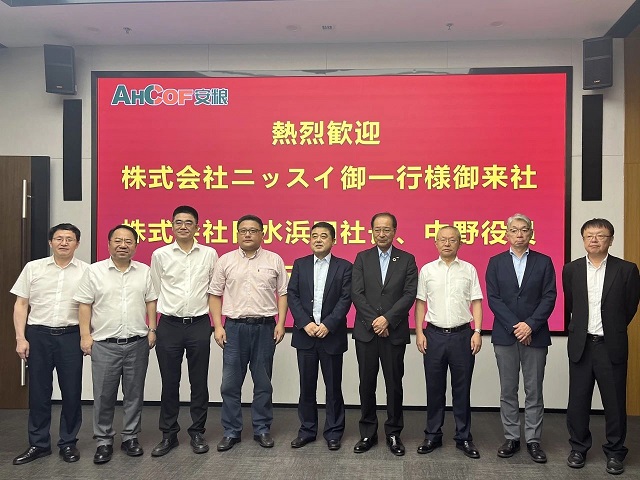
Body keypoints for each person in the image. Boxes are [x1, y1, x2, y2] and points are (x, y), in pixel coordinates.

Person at [74, 224, 158, 465]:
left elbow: (150, 301)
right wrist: (85, 336)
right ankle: (104, 441)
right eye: (118, 241)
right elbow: (84, 304)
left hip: (137, 342)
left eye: (128, 241)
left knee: (134, 393)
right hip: (104, 344)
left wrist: (152, 329)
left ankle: (130, 437)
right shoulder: (94, 271)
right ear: (109, 244)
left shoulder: (144, 271)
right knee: (103, 395)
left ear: (136, 246)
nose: (123, 245)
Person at [563, 218, 640, 475]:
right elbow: (571, 304)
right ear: (583, 239)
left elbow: (630, 306)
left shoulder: (626, 269)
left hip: (611, 345)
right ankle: (578, 448)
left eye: (600, 235)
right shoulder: (571, 270)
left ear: (611, 239)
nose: (594, 240)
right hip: (582, 344)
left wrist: (613, 328)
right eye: (589, 236)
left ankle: (615, 452)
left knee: (615, 403)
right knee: (578, 401)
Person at [209, 214, 288, 451]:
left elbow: (283, 294)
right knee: (230, 384)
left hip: (265, 327)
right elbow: (215, 294)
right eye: (243, 230)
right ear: (237, 234)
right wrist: (218, 326)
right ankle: (231, 431)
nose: (247, 234)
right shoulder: (225, 260)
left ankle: (262, 428)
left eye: (253, 230)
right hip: (234, 328)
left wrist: (281, 323)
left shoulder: (274, 260)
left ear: (262, 234)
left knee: (263, 383)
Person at [11, 224, 89, 465]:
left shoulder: (87, 271)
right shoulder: (33, 268)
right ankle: (39, 444)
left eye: (69, 239)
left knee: (72, 392)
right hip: (38, 335)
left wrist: (86, 335)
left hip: (70, 336)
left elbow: (90, 306)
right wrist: (20, 337)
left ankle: (68, 443)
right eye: (59, 238)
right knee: (38, 392)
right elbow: (21, 304)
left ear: (77, 244)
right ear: (50, 242)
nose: (64, 243)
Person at [485, 213, 556, 463]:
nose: (519, 234)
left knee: (534, 390)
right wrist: (517, 326)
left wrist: (530, 326)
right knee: (508, 390)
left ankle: (534, 440)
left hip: (535, 335)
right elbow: (493, 298)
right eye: (514, 230)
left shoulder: (544, 262)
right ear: (506, 234)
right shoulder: (495, 262)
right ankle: (512, 438)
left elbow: (549, 297)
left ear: (531, 233)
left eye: (524, 230)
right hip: (505, 335)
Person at [150, 206, 218, 456]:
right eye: (178, 222)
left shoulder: (209, 254)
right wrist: (152, 327)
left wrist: (217, 324)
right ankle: (169, 434)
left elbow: (214, 291)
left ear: (197, 227)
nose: (183, 226)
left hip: (199, 324)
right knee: (170, 381)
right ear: (172, 226)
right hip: (169, 325)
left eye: (188, 222)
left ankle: (197, 432)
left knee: (199, 381)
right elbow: (154, 292)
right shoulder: (160, 255)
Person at [351, 212, 417, 456]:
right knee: (366, 384)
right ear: (371, 231)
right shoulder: (362, 258)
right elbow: (356, 293)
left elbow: (409, 294)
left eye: (386, 229)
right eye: (377, 229)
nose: (381, 234)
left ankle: (393, 433)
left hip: (394, 332)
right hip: (367, 332)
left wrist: (387, 319)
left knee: (394, 385)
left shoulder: (407, 259)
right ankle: (367, 433)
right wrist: (374, 321)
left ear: (394, 232)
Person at [414, 225, 483, 459]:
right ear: (435, 243)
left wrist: (477, 331)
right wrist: (419, 332)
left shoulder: (469, 269)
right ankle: (432, 435)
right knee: (434, 388)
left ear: (459, 243)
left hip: (463, 335)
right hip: (433, 335)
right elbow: (420, 303)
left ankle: (464, 437)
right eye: (442, 239)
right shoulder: (427, 270)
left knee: (462, 389)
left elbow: (476, 301)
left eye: (452, 240)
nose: (447, 243)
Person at [287, 222, 352, 451]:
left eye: (324, 236)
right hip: (305, 335)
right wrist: (305, 323)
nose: (318, 239)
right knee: (306, 387)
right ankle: (307, 430)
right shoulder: (300, 264)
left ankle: (333, 432)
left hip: (331, 336)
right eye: (314, 236)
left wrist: (328, 324)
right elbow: (292, 295)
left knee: (333, 387)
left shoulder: (344, 267)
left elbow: (346, 298)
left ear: (333, 240)